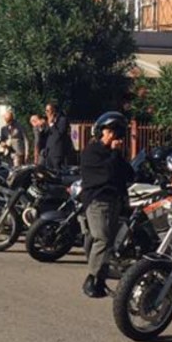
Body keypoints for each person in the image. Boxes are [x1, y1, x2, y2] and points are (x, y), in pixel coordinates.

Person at [80, 111, 134, 298]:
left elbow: (128, 173)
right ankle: (91, 279)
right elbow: (108, 173)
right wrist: (114, 153)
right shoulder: (92, 152)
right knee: (101, 239)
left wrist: (118, 154)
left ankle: (100, 281)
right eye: (108, 131)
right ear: (100, 131)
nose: (111, 136)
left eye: (115, 132)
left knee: (109, 242)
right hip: (97, 201)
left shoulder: (115, 154)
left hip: (114, 201)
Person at [44, 102, 72, 171]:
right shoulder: (49, 120)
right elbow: (46, 133)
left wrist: (52, 124)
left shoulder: (62, 120)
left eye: (48, 110)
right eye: (45, 110)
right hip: (49, 152)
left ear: (53, 111)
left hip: (57, 152)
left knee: (57, 171)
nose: (46, 112)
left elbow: (59, 134)